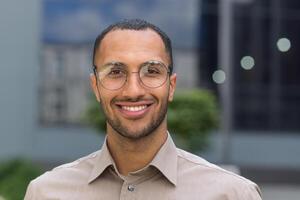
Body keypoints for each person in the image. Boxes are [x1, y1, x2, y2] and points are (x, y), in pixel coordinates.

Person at [24, 19, 262, 200]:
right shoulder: (46, 192)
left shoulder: (233, 195)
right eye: (116, 72)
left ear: (171, 86)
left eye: (152, 71)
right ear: (95, 87)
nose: (133, 90)